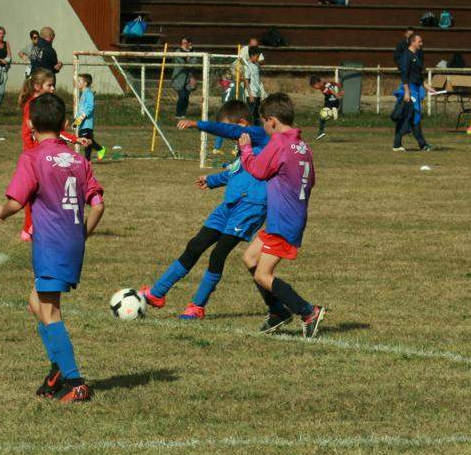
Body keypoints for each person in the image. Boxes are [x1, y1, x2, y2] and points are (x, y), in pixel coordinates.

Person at [0, 93, 105, 403]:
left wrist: (0, 211)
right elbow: (98, 204)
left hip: (50, 244)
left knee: (50, 310)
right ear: (65, 124)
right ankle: (57, 369)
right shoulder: (79, 159)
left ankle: (76, 381)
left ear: (30, 125)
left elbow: (16, 201)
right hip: (71, 241)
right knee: (35, 302)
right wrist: (83, 234)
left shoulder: (33, 157)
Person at [141, 100, 269, 321]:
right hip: (229, 205)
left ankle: (197, 306)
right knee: (196, 245)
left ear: (242, 124)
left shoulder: (260, 136)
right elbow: (234, 171)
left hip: (249, 208)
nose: (227, 135)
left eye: (230, 130)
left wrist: (198, 124)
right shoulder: (243, 148)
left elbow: (230, 131)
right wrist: (211, 180)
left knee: (218, 253)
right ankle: (157, 293)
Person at [237, 93, 325, 338]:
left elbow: (257, 170)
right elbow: (311, 180)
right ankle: (277, 312)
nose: (264, 127)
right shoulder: (303, 145)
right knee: (250, 258)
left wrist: (245, 150)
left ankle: (308, 311)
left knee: (263, 275)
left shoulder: (279, 143)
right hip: (290, 216)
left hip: (284, 220)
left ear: (272, 121)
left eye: (264, 122)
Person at [16, 68, 84, 242]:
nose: (53, 88)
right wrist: (33, 152)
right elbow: (29, 132)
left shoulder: (44, 105)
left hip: (43, 154)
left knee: (43, 191)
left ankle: (35, 227)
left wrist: (74, 139)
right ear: (38, 86)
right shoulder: (33, 106)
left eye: (53, 85)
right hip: (36, 156)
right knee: (34, 192)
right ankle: (29, 228)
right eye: (50, 85)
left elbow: (54, 131)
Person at [393, 33, 430, 152]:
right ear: (413, 42)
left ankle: (421, 144)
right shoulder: (406, 56)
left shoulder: (416, 55)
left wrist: (426, 86)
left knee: (414, 116)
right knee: (408, 116)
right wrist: (407, 92)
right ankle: (418, 144)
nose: (421, 44)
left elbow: (417, 74)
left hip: (416, 88)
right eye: (419, 41)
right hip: (409, 89)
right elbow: (404, 74)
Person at [73, 73, 105, 161]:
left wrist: (82, 116)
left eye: (79, 81)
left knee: (86, 141)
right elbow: (82, 109)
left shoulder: (89, 93)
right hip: (82, 123)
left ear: (85, 83)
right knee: (86, 141)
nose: (77, 83)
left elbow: (90, 107)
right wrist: (76, 120)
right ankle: (88, 160)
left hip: (87, 123)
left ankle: (98, 150)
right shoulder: (83, 94)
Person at [309, 74, 342, 140]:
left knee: (322, 116)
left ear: (316, 83)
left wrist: (336, 94)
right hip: (336, 101)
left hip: (329, 102)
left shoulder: (323, 87)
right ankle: (334, 110)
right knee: (327, 115)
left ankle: (321, 132)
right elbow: (336, 84)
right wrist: (340, 90)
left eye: (314, 86)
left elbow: (330, 91)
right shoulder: (327, 83)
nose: (315, 88)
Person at [170, 37, 197, 117]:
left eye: (185, 43)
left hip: (189, 79)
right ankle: (178, 113)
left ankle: (183, 113)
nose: (183, 45)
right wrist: (188, 60)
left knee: (186, 97)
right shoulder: (178, 52)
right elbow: (182, 63)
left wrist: (189, 60)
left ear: (189, 43)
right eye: (182, 43)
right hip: (178, 78)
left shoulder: (193, 52)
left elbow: (194, 63)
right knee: (182, 96)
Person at [244, 45, 264, 123]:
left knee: (256, 114)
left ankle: (255, 129)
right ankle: (248, 130)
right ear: (252, 56)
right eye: (257, 56)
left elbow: (257, 80)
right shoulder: (248, 66)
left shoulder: (256, 65)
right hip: (251, 94)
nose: (258, 58)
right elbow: (246, 81)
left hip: (257, 93)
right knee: (250, 114)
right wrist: (250, 94)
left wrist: (261, 92)